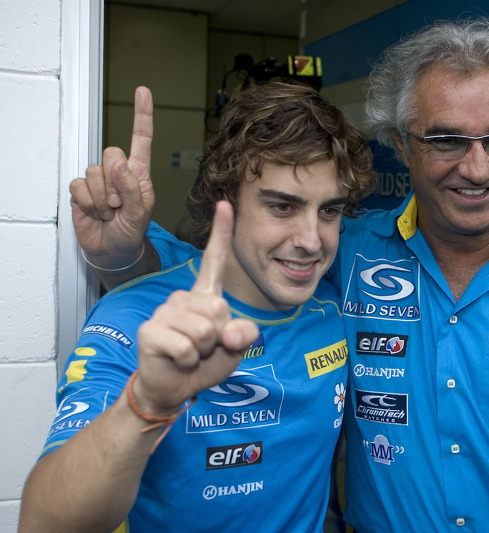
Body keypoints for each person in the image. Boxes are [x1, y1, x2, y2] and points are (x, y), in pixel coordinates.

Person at [64, 18, 489, 532]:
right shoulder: (343, 248)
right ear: (401, 142)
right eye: (448, 139)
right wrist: (124, 253)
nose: (479, 166)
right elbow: (224, 277)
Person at [19, 81, 376, 532]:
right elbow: (43, 523)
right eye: (283, 207)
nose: (311, 241)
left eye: (329, 211)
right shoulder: (136, 319)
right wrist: (146, 405)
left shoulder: (332, 306)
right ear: (225, 200)